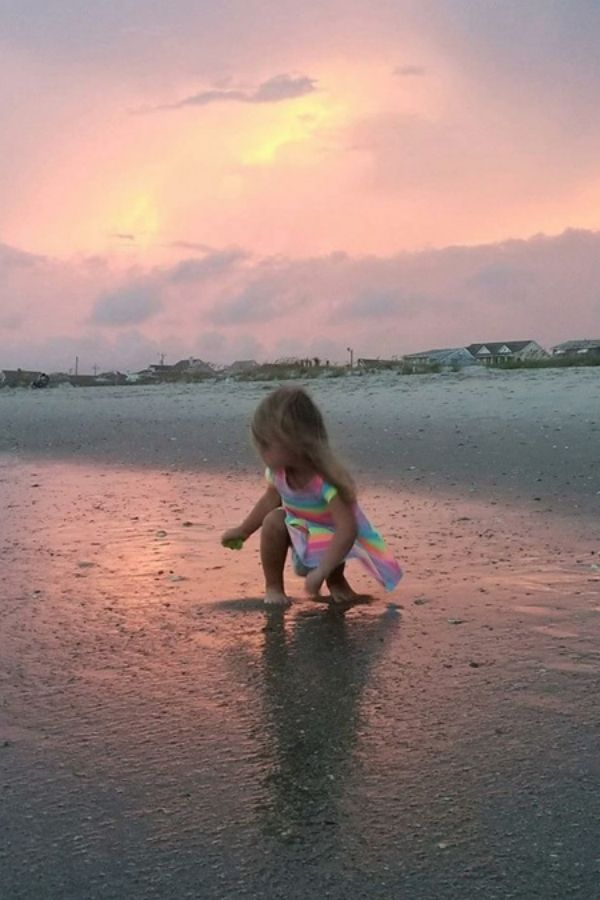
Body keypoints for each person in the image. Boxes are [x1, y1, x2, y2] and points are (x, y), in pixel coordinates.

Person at [221, 385, 402, 606]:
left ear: (294, 442)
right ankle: (274, 588)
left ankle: (336, 581)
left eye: (266, 444)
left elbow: (347, 529)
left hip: (329, 541)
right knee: (273, 521)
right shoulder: (277, 474)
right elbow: (269, 500)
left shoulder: (325, 480)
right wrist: (243, 530)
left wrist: (323, 571)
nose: (259, 451)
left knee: (331, 534)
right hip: (297, 531)